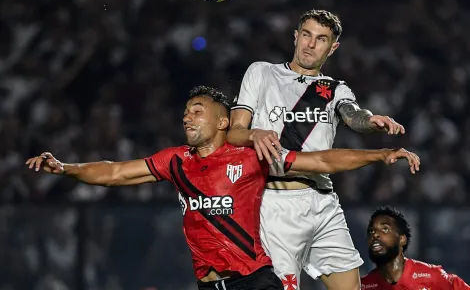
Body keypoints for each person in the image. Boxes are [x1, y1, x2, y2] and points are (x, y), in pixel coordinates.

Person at [26, 86, 419, 290]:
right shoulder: (176, 160)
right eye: (185, 112)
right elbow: (114, 174)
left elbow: (320, 161)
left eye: (198, 111)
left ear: (222, 122)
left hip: (253, 280)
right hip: (208, 284)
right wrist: (65, 168)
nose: (187, 117)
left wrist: (379, 154)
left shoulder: (251, 157)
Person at [228, 9, 408, 290]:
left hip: (323, 201)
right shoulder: (262, 72)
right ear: (296, 36)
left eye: (321, 39)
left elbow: (353, 114)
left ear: (332, 47)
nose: (310, 45)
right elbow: (234, 133)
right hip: (274, 203)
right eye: (307, 35)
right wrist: (253, 133)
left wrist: (371, 121)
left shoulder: (335, 89)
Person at [362, 206, 470, 289]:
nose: (375, 234)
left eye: (385, 229)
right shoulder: (364, 286)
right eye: (371, 231)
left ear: (402, 239)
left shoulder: (433, 276)